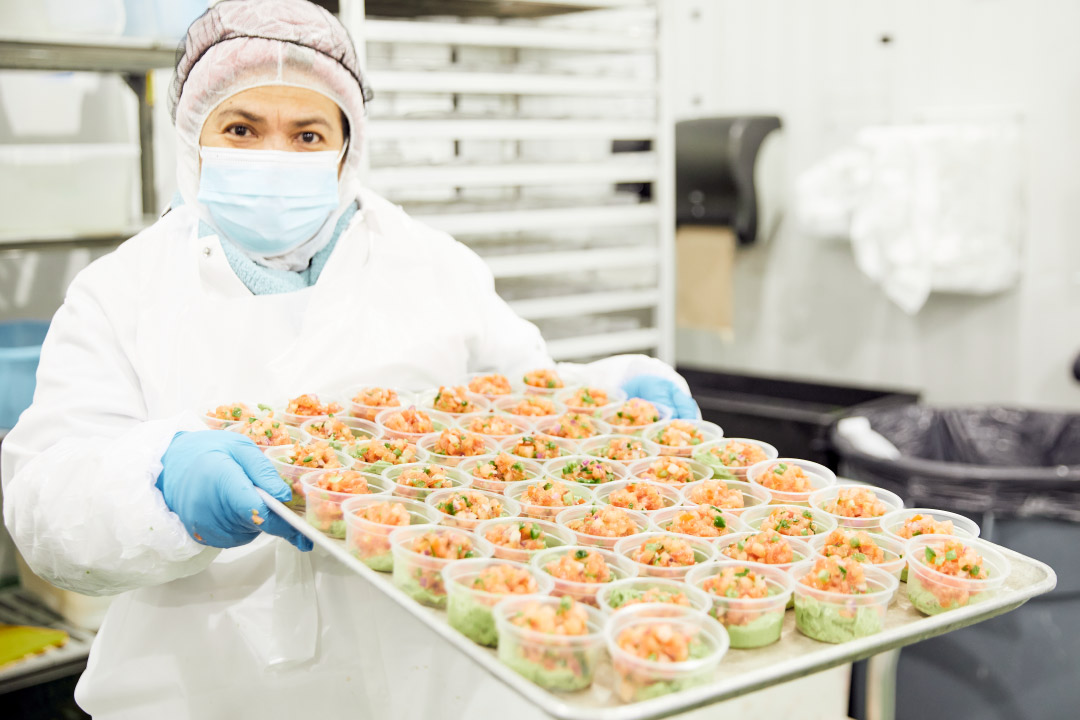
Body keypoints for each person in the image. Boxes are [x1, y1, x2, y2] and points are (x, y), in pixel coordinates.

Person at [0, 1, 699, 717]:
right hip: (202, 684)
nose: (275, 156)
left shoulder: (433, 267)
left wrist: (610, 392)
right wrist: (157, 480)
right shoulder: (121, 292)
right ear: (194, 136)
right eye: (242, 129)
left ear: (346, 149)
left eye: (307, 134)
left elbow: (526, 409)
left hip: (426, 678)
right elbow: (43, 508)